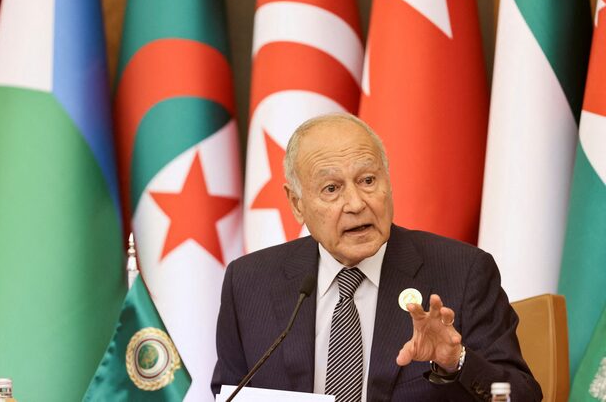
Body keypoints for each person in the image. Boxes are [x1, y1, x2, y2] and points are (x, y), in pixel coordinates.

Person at [212, 112, 542, 401]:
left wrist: (457, 361)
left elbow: (521, 395)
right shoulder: (248, 282)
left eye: (368, 180)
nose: (356, 204)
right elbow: (227, 393)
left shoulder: (463, 271)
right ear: (297, 204)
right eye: (332, 189)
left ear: (388, 182)